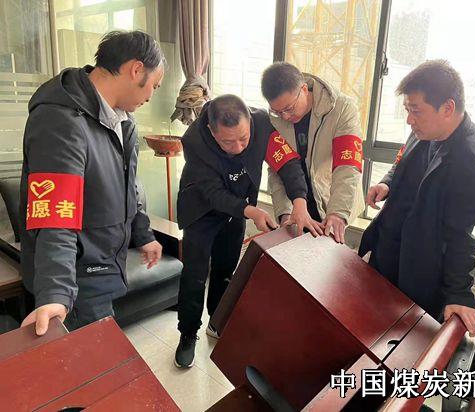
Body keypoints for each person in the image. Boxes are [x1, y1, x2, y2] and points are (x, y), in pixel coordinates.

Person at [20, 30, 164, 335]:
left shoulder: (122, 121)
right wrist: (56, 293)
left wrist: (143, 234)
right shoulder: (60, 121)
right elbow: (55, 213)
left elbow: (129, 188)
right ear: (136, 69)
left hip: (105, 267)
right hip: (78, 281)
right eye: (154, 85)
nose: (151, 95)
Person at [175, 94, 322, 368]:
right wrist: (252, 211)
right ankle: (188, 332)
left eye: (244, 138)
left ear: (249, 124)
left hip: (238, 209)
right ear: (212, 131)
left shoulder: (262, 124)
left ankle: (217, 321)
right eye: (228, 142)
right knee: (195, 274)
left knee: (226, 269)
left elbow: (287, 162)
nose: (239, 147)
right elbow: (213, 193)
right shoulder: (193, 141)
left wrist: (299, 202)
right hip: (201, 210)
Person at [359, 60, 475, 336]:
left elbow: (460, 235)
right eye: (407, 110)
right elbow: (402, 162)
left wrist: (458, 292)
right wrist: (387, 183)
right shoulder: (424, 130)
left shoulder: (471, 162)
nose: (410, 120)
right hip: (387, 254)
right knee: (367, 330)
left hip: (417, 273)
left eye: (416, 111)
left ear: (448, 108)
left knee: (400, 345)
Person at [261, 62, 364, 244]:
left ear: (303, 89)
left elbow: (347, 166)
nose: (285, 116)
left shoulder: (341, 109)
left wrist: (338, 213)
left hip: (331, 200)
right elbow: (277, 170)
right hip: (296, 205)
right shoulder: (275, 119)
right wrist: (285, 213)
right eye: (277, 111)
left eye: (289, 108)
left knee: (330, 254)